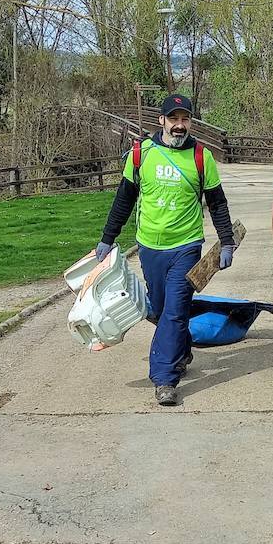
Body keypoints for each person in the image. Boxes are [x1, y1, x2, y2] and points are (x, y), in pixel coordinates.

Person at [96, 94, 237, 406]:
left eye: (185, 119)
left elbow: (217, 203)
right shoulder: (140, 155)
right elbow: (124, 199)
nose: (179, 125)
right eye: (173, 119)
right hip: (149, 247)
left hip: (186, 246)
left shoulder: (202, 157)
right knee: (160, 310)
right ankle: (182, 349)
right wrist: (108, 238)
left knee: (174, 311)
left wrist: (226, 241)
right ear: (160, 121)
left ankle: (164, 379)